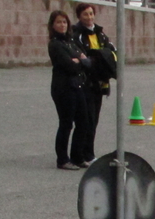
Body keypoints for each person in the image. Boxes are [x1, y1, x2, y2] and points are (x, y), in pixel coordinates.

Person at [72, 2, 114, 165]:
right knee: (85, 120)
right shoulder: (77, 34)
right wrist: (96, 60)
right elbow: (82, 58)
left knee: (94, 119)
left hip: (100, 82)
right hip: (85, 83)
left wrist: (99, 60)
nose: (89, 17)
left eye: (91, 14)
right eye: (85, 14)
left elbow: (110, 52)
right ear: (79, 17)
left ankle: (88, 153)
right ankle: (82, 154)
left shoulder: (100, 33)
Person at [47, 10, 90, 170]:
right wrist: (79, 61)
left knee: (83, 121)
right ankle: (62, 159)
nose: (62, 25)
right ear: (53, 25)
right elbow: (70, 66)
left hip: (76, 85)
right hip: (63, 88)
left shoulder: (70, 42)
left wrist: (79, 60)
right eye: (58, 22)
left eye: (64, 22)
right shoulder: (55, 44)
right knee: (66, 123)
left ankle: (77, 156)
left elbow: (86, 60)